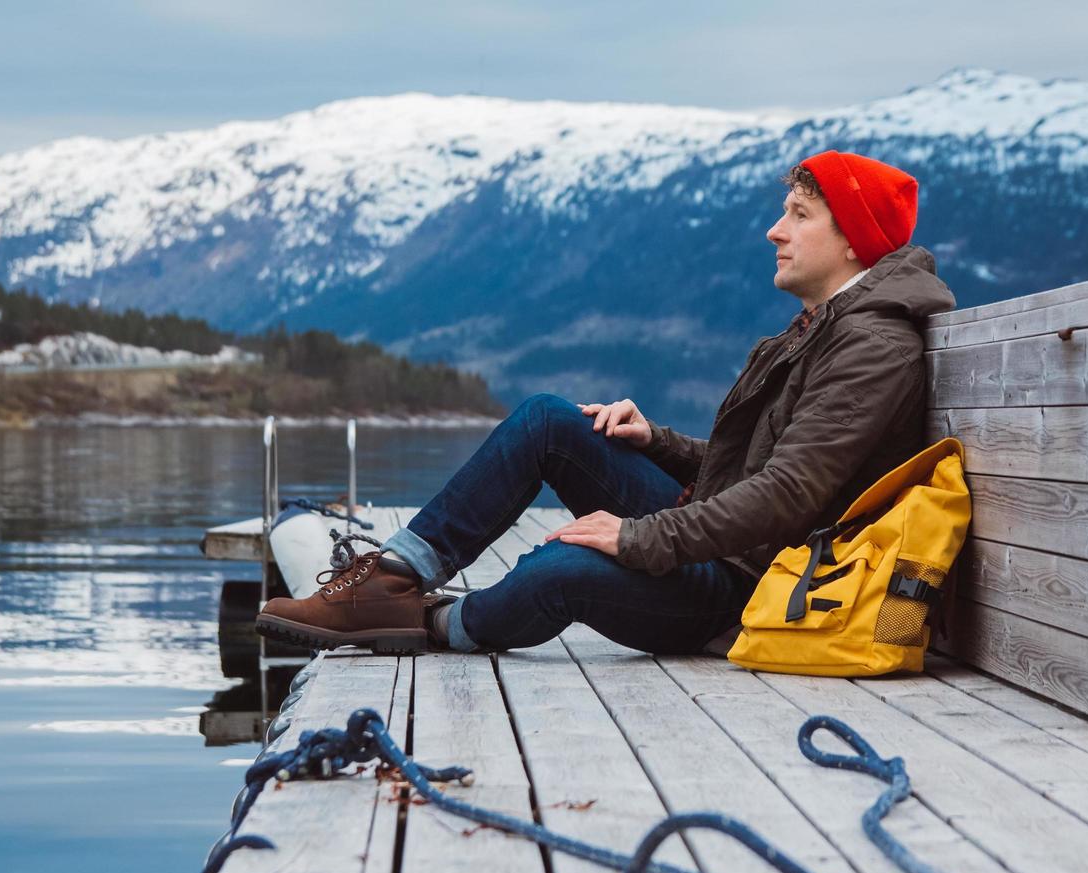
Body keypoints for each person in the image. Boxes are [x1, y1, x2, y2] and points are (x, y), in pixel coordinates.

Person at [255, 150, 955, 657]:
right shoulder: (827, 326)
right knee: (551, 421)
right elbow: (761, 466)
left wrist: (635, 538)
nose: (776, 231)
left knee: (558, 569)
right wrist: (657, 441)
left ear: (854, 239)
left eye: (799, 216)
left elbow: (789, 495)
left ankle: (430, 625)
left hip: (755, 591)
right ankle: (391, 580)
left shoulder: (872, 347)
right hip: (732, 549)